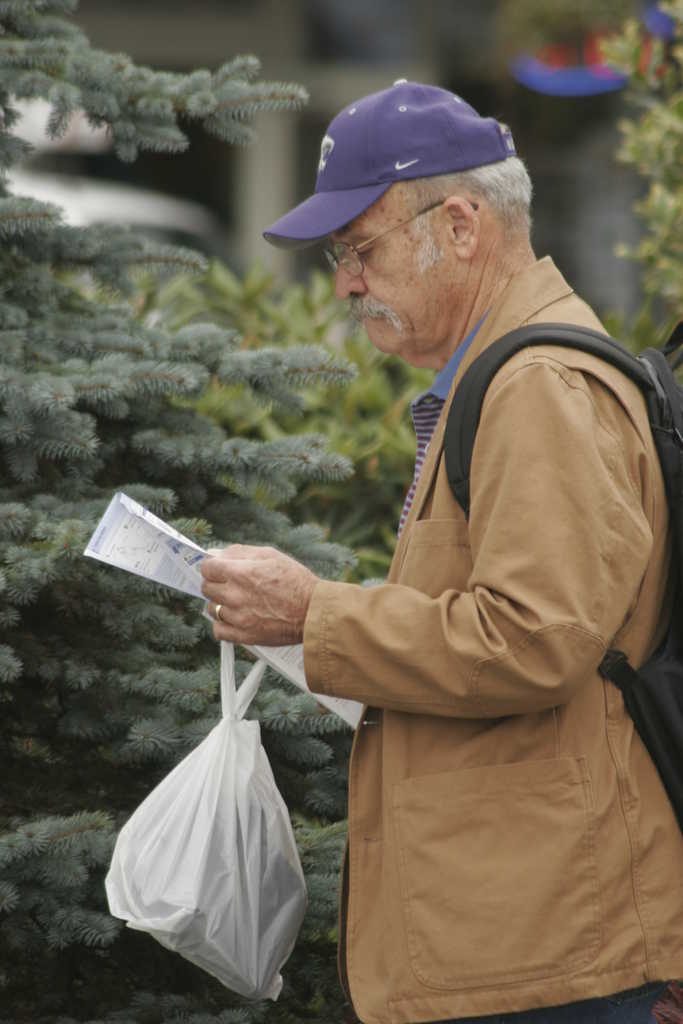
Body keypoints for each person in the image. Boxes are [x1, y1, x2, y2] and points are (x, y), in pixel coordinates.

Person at [200, 82, 682, 1023]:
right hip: (529, 929)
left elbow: (532, 639)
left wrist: (315, 615)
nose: (343, 284)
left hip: (548, 952)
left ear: (460, 226)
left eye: (359, 249)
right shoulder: (507, 372)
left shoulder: (535, 382)